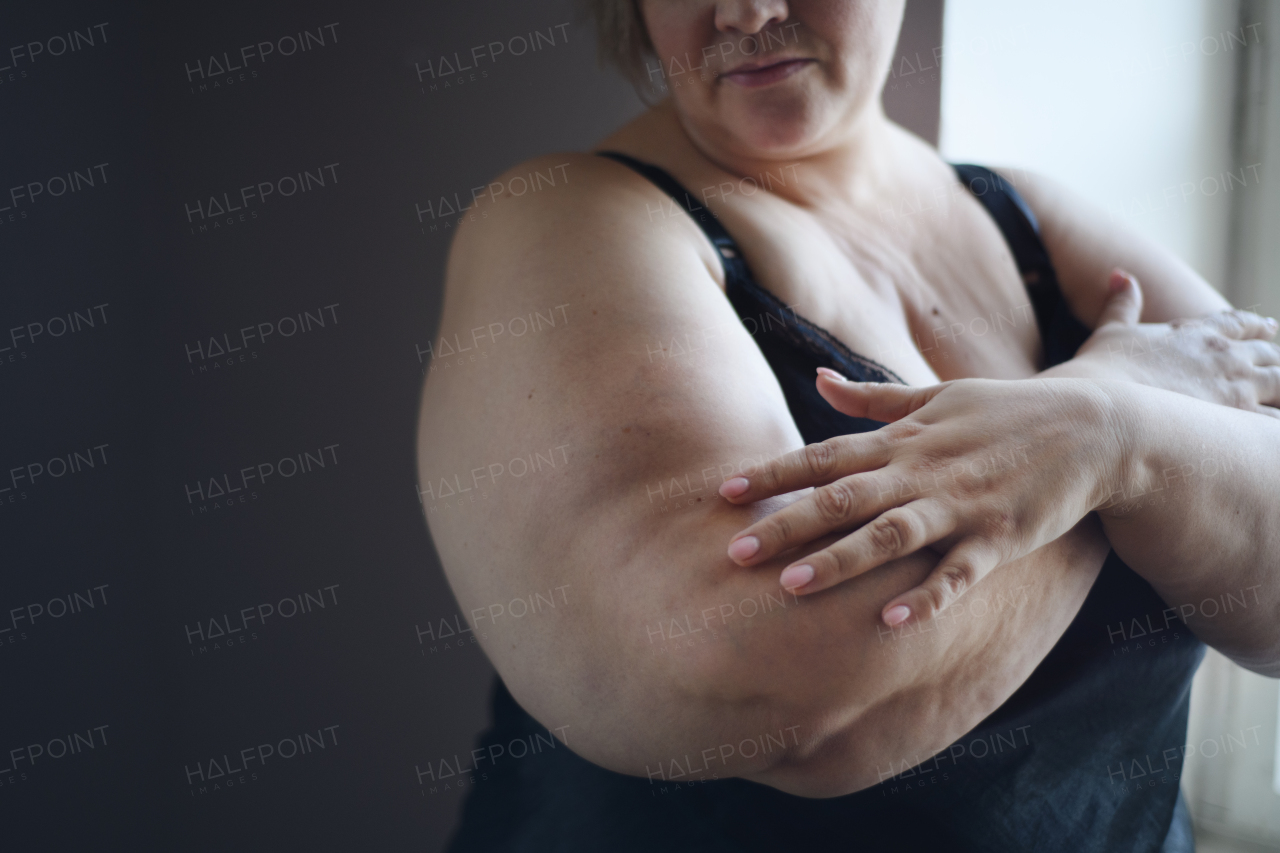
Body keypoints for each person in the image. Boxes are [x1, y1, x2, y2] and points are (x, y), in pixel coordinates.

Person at [416, 1, 1280, 849]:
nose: (748, 13)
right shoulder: (570, 220)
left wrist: (1107, 438)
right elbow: (752, 680)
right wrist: (1113, 424)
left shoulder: (1031, 218)